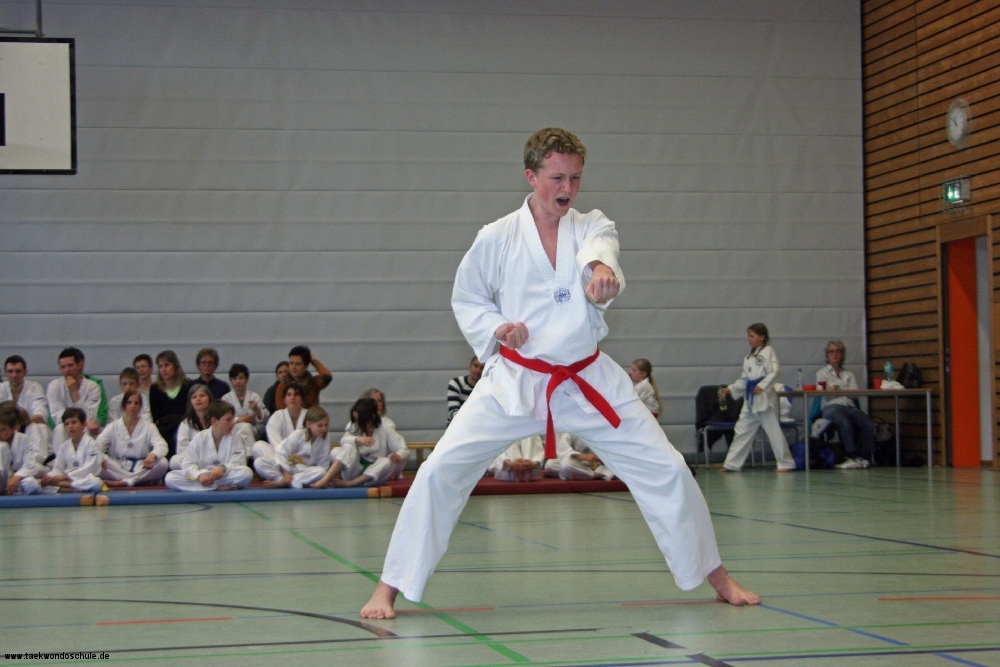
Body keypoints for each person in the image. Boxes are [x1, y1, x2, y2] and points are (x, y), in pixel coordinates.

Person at [360, 128, 758, 619]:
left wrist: (600, 274)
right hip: (515, 381)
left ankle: (717, 576)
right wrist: (498, 328)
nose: (567, 188)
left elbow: (599, 253)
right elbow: (468, 297)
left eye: (575, 177)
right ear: (531, 176)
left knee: (669, 468)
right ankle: (388, 587)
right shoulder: (497, 236)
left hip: (588, 380)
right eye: (556, 177)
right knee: (440, 469)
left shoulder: (592, 225)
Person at [719, 324, 796, 473]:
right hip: (750, 399)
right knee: (742, 430)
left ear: (762, 337)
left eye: (752, 336)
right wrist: (730, 388)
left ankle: (785, 462)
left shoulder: (768, 351)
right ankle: (731, 464)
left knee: (773, 431)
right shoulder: (748, 358)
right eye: (748, 336)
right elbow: (744, 380)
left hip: (764, 398)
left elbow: (775, 371)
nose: (749, 339)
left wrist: (762, 385)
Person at [164, 400, 252, 491]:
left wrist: (224, 468)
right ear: (214, 421)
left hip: (224, 475)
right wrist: (199, 475)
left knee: (246, 473)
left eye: (233, 419)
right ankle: (217, 487)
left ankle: (207, 487)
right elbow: (188, 463)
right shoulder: (200, 438)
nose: (232, 423)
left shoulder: (236, 437)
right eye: (228, 419)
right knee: (170, 478)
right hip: (204, 475)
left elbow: (239, 463)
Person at [817, 340, 876, 469]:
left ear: (842, 354)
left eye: (837, 351)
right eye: (831, 351)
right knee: (844, 421)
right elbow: (825, 393)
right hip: (831, 406)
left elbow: (854, 394)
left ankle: (866, 456)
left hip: (848, 406)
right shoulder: (821, 373)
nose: (834, 354)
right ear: (827, 355)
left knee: (867, 422)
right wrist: (842, 390)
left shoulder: (849, 374)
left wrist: (836, 389)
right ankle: (851, 455)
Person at [97, 390, 169, 487]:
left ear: (140, 407)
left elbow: (162, 445)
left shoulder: (149, 426)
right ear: (124, 405)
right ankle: (137, 480)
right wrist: (100, 457)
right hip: (118, 467)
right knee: (97, 461)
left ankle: (123, 482)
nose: (132, 406)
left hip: (141, 466)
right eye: (129, 402)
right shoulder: (113, 426)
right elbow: (98, 445)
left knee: (163, 463)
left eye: (136, 403)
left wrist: (153, 455)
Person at [333, 397, 409, 487]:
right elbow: (343, 440)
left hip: (372, 475)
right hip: (355, 470)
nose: (356, 423)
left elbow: (404, 449)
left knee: (386, 462)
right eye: (355, 419)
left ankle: (350, 484)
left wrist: (399, 455)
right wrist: (357, 439)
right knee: (335, 451)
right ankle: (343, 479)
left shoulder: (386, 429)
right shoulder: (355, 427)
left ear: (372, 417)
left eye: (359, 420)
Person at [275, 406, 358, 489]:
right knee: (267, 463)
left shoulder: (325, 437)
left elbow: (323, 464)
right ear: (308, 424)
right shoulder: (298, 435)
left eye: (326, 425)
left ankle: (291, 481)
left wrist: (324, 478)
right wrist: (286, 473)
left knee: (321, 472)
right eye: (320, 425)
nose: (324, 428)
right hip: (291, 468)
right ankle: (285, 480)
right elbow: (280, 451)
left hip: (308, 471)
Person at [39, 408, 105, 495]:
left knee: (96, 483)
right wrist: (50, 477)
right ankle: (72, 488)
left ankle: (64, 486)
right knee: (37, 483)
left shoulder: (92, 444)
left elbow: (90, 468)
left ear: (83, 424)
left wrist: (66, 477)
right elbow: (58, 468)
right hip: (67, 479)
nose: (70, 426)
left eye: (74, 422)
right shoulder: (64, 446)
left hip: (83, 478)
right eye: (67, 424)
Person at [252, 383, 306, 486]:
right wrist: (285, 463)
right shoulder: (276, 417)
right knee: (258, 446)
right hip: (280, 459)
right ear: (284, 399)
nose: (292, 397)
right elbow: (277, 447)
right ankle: (282, 479)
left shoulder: (309, 417)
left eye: (296, 394)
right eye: (289, 394)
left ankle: (284, 479)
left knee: (317, 470)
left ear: (302, 399)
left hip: (301, 462)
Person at [47, 347, 103, 439]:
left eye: (70, 365)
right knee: (60, 428)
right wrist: (76, 421)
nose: (67, 370)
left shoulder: (93, 387)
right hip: (64, 428)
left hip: (86, 428)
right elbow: (57, 416)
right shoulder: (54, 386)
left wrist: (75, 392)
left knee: (84, 427)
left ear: (79, 365)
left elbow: (91, 416)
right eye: (63, 367)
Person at [148, 350, 192, 456]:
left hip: (184, 428)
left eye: (167, 365)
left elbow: (189, 412)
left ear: (175, 366)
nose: (163, 369)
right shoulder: (155, 389)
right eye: (160, 366)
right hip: (164, 430)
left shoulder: (188, 385)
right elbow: (156, 417)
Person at [221, 363, 268, 458]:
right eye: (234, 378)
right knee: (245, 427)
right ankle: (251, 456)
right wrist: (240, 420)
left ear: (247, 379)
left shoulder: (254, 396)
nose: (238, 381)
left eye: (241, 378)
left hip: (253, 430)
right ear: (231, 381)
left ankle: (247, 457)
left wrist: (257, 409)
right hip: (233, 430)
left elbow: (266, 418)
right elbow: (222, 419)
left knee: (247, 428)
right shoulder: (226, 399)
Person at [0, 408, 48, 495]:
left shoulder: (24, 439)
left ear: (14, 428)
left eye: (3, 429)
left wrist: (17, 477)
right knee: (2, 447)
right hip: (2, 479)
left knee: (31, 484)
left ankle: (12, 490)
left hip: (16, 478)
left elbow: (30, 464)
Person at [169, 384, 212, 470]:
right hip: (194, 459)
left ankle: (198, 472)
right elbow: (182, 449)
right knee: (174, 460)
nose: (198, 399)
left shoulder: (216, 419)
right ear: (191, 402)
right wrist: (198, 457)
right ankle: (198, 472)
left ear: (209, 399)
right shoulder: (186, 423)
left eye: (202, 395)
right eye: (194, 397)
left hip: (213, 457)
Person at [275, 346, 331, 410]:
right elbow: (281, 411)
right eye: (291, 363)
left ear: (306, 366)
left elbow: (327, 376)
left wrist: (314, 361)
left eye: (298, 364)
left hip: (311, 416)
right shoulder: (282, 386)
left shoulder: (313, 383)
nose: (293, 367)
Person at [542, 432, 615, 481]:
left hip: (600, 465)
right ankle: (590, 475)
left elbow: (614, 453)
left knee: (566, 466)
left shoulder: (603, 427)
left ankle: (591, 475)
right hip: (579, 463)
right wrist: (583, 456)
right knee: (550, 464)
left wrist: (601, 459)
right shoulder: (572, 426)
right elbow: (563, 449)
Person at [1, 355, 49, 427]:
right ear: (5, 373)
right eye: (10, 371)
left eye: (18, 371)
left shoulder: (35, 388)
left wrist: (23, 422)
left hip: (30, 426)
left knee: (38, 427)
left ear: (25, 372)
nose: (14, 375)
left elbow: (41, 416)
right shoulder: (1, 388)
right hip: (4, 429)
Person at [447, 357, 484, 423]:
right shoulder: (456, 383)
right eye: (476, 366)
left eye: (482, 368)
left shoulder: (487, 388)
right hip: (456, 425)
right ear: (470, 367)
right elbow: (453, 412)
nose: (478, 370)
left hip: (477, 425)